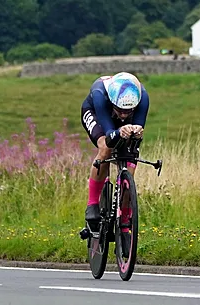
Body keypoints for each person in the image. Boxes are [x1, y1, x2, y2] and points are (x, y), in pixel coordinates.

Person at [80, 72, 149, 254]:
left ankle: (124, 224)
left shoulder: (143, 98)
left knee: (130, 162)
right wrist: (118, 132)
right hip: (96, 114)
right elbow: (110, 135)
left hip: (120, 116)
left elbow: (139, 129)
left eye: (129, 111)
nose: (125, 115)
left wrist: (136, 131)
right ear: (113, 103)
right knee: (106, 148)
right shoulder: (100, 95)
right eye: (121, 110)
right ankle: (93, 203)